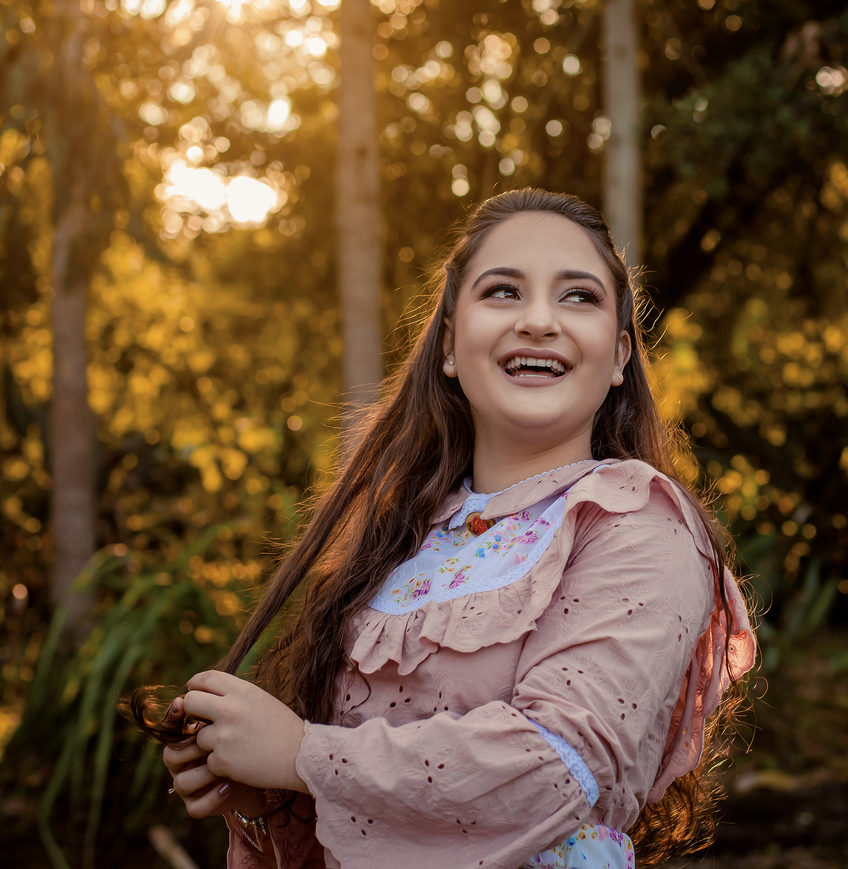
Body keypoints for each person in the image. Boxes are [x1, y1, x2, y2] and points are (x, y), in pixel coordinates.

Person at [132, 189, 754, 869]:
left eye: (578, 296)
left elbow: (559, 766)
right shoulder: (401, 539)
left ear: (619, 358)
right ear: (451, 346)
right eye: (503, 291)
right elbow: (363, 825)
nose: (539, 320)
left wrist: (303, 754)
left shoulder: (639, 523)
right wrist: (268, 793)